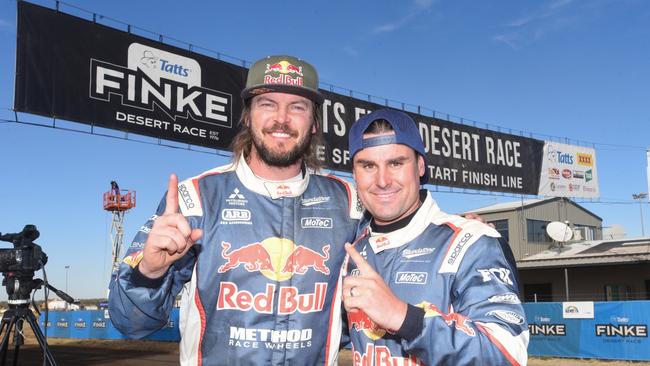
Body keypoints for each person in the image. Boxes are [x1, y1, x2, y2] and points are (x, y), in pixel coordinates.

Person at [108, 55, 363, 365]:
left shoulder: (349, 203)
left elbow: (358, 321)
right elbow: (131, 323)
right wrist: (149, 273)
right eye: (267, 104)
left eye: (297, 107)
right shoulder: (195, 198)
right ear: (247, 116)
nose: (281, 119)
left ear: (314, 123)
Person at [342, 109, 529, 365]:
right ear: (354, 173)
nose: (382, 180)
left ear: (420, 166)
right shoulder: (353, 248)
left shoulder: (472, 241)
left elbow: (508, 353)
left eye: (396, 163)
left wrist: (403, 318)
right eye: (368, 166)